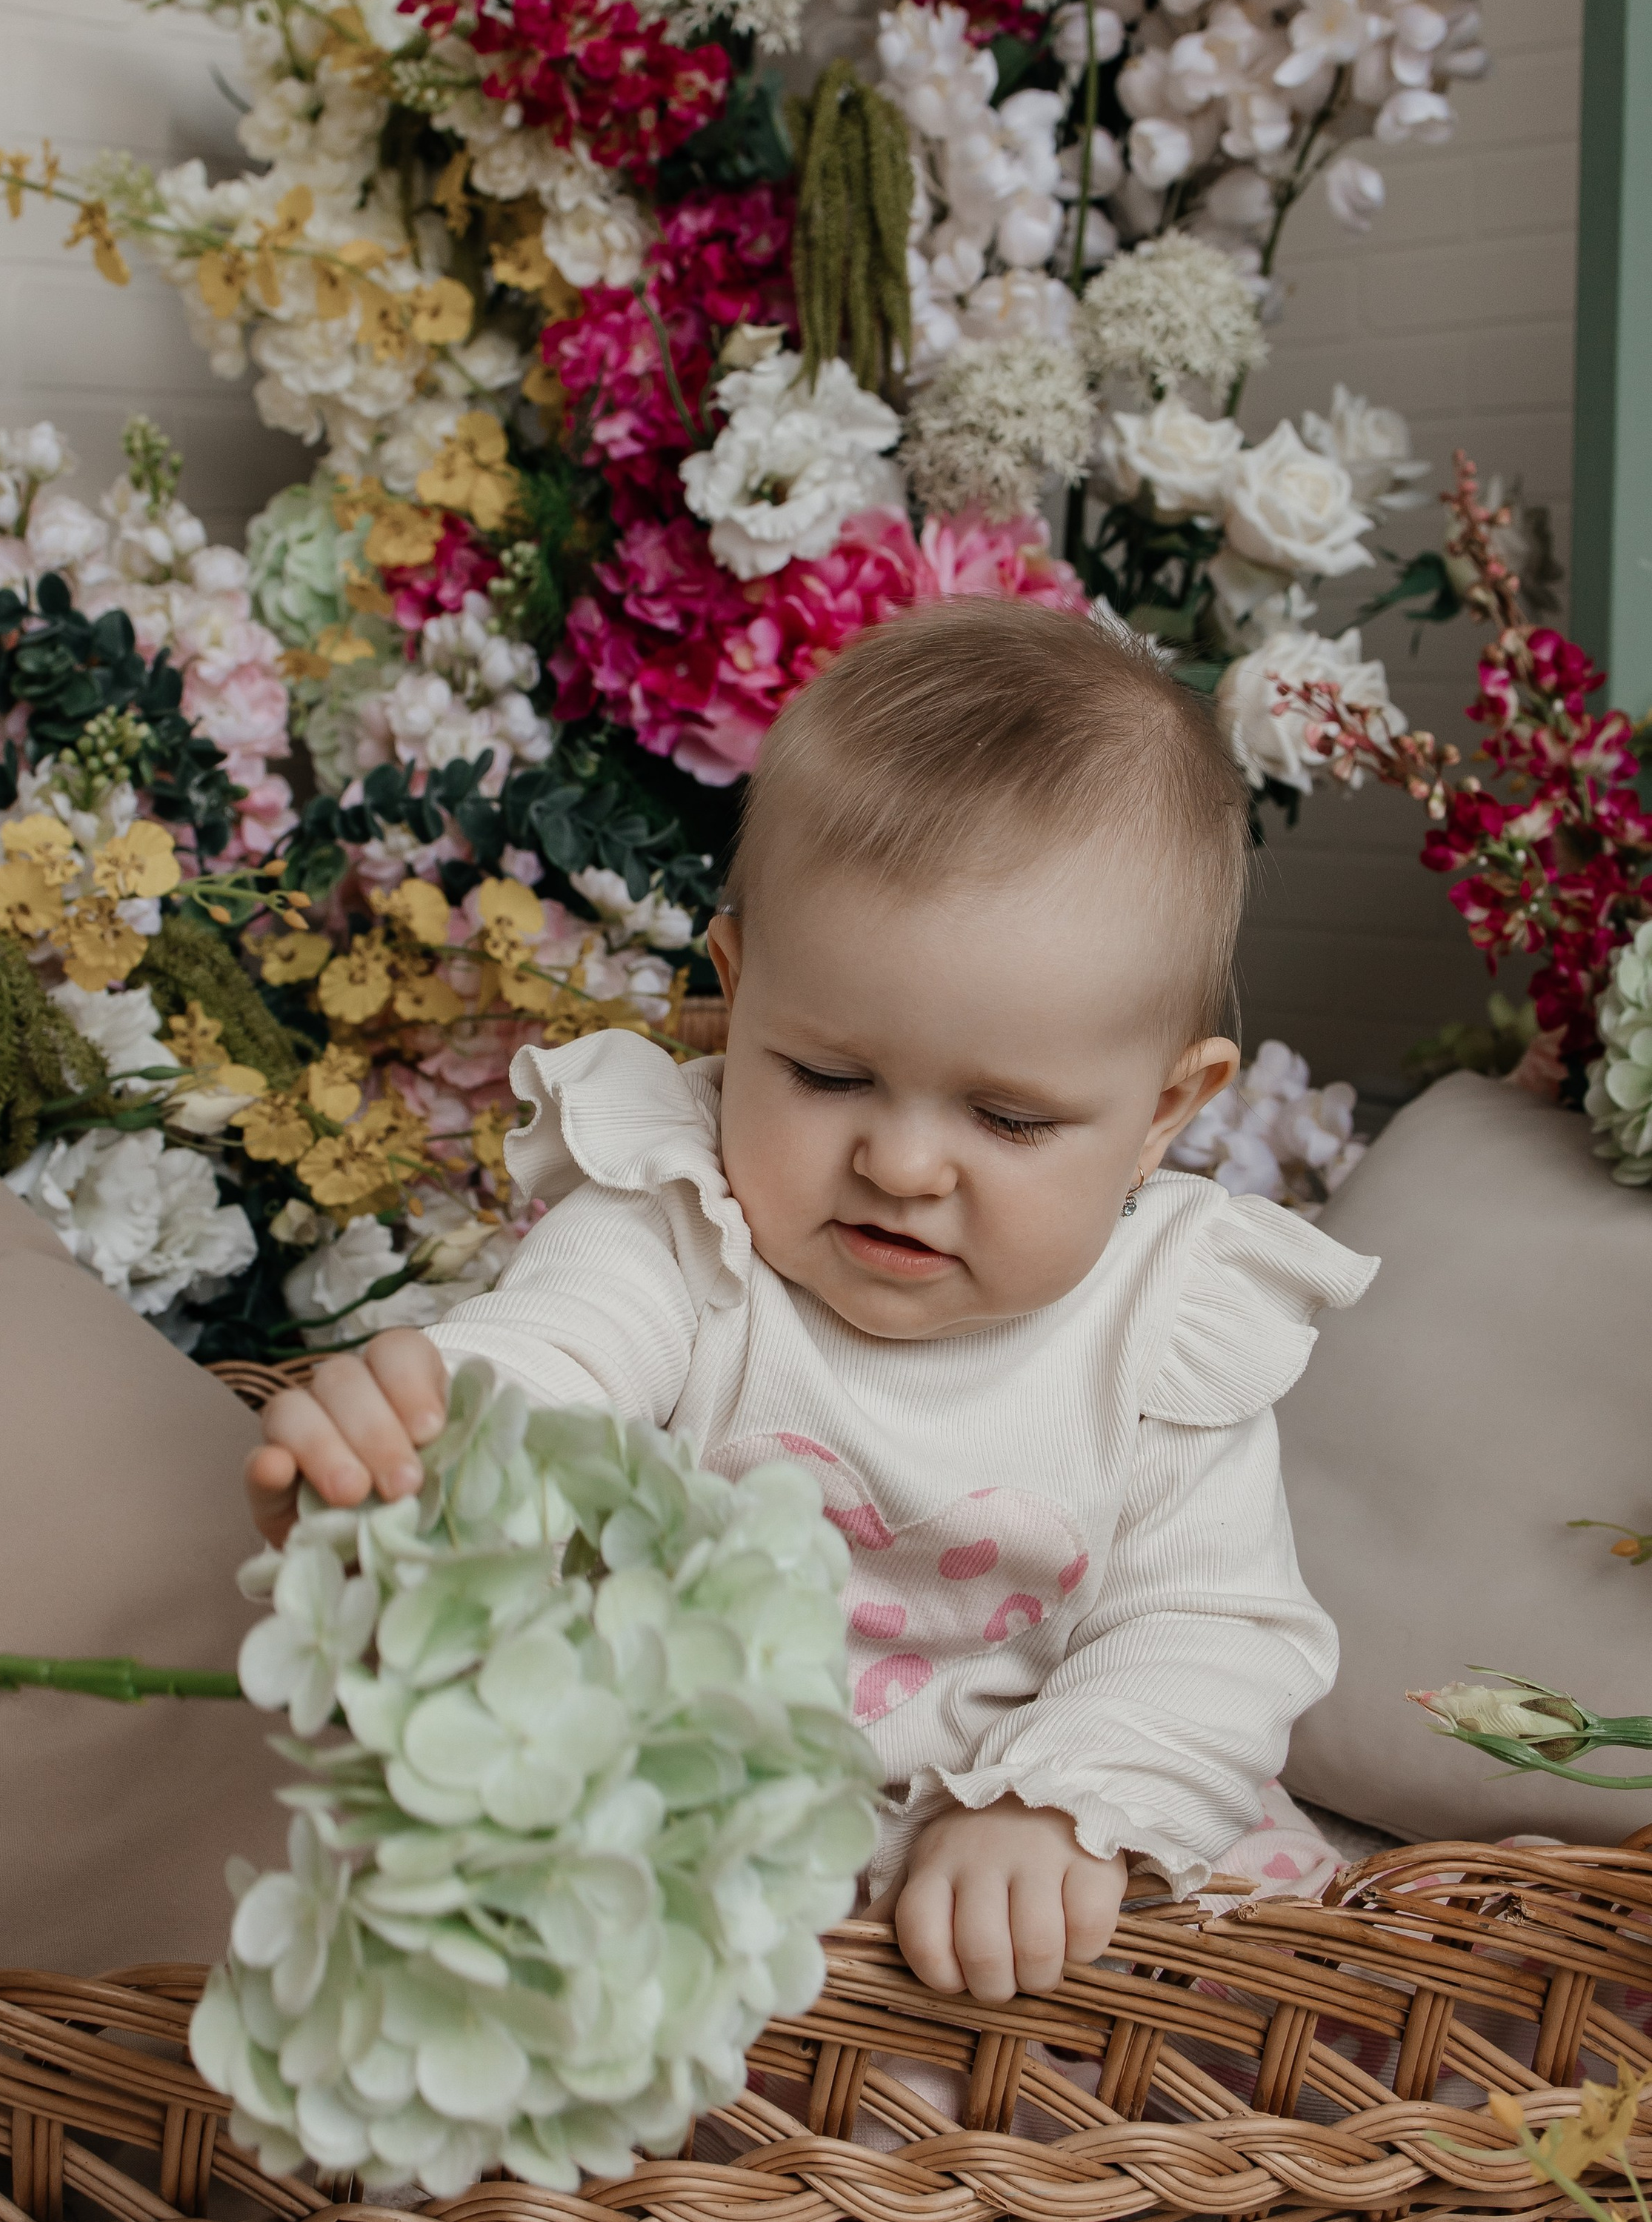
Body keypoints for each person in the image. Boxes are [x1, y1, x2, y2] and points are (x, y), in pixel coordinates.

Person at [247, 599, 1373, 2006]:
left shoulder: (1166, 1320)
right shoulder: (678, 1231)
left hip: (1049, 1874)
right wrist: (416, 1449)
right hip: (696, 1848)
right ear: (733, 1001)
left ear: (1164, 1113)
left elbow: (1213, 1630)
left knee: (1250, 1982)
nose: (900, 1164)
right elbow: (550, 1365)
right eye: (827, 1077)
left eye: (1010, 1119)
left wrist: (1058, 1803)